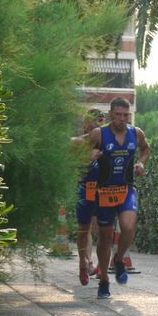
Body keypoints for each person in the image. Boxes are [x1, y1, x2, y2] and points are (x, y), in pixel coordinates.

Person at [88, 98, 150, 299]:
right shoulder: (100, 133)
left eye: (126, 115)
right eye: (118, 115)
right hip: (104, 191)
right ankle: (104, 279)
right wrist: (93, 154)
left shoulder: (135, 133)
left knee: (128, 226)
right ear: (111, 114)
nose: (122, 119)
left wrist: (141, 164)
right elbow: (84, 150)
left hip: (126, 189)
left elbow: (145, 149)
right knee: (104, 238)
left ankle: (120, 259)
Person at [71, 107, 105, 285]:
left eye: (100, 121)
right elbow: (70, 159)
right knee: (85, 229)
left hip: (104, 190)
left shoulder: (107, 140)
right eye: (92, 122)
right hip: (86, 188)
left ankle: (99, 264)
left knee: (102, 227)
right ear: (85, 125)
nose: (96, 126)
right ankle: (84, 263)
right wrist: (87, 157)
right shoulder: (79, 142)